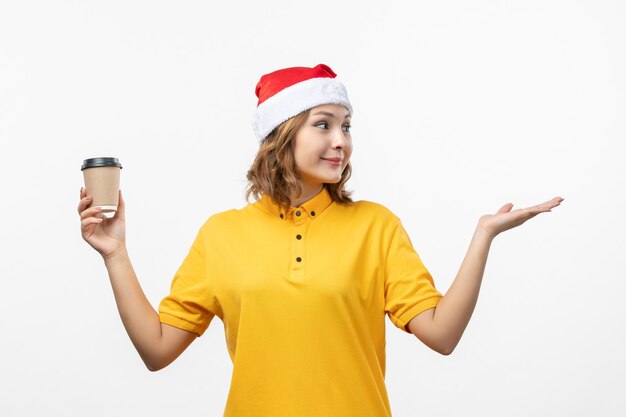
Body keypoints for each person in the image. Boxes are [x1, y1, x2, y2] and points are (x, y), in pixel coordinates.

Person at [77, 63, 564, 416]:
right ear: (281, 134)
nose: (341, 141)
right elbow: (157, 350)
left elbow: (442, 335)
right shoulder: (222, 234)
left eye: (346, 126)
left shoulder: (376, 227)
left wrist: (482, 237)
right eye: (323, 124)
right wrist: (115, 253)